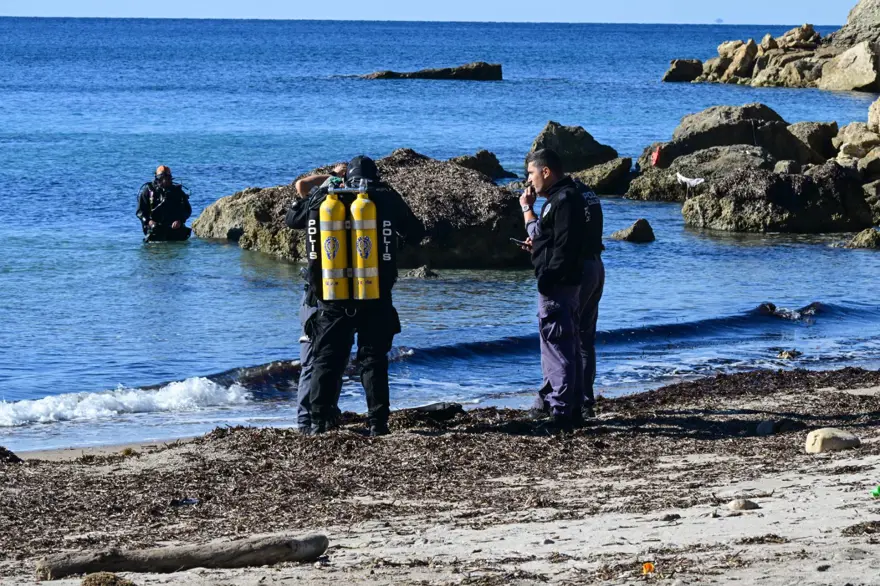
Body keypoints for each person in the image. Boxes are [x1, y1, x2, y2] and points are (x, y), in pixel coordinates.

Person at [288, 155, 424, 436]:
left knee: (327, 360)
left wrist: (330, 179)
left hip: (331, 295)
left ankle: (318, 424)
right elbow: (416, 232)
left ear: (345, 175)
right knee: (373, 360)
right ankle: (377, 423)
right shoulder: (384, 196)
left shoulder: (327, 196)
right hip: (374, 293)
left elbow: (293, 218)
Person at [519, 149, 587, 431]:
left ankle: (562, 411)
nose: (530, 180)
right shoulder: (564, 198)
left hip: (558, 284)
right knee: (567, 346)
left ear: (546, 171)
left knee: (557, 348)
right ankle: (570, 406)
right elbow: (554, 240)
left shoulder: (563, 199)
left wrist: (549, 276)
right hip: (567, 281)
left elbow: (565, 245)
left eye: (531, 174)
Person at [286, 163, 348, 434]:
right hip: (341, 294)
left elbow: (301, 186)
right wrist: (337, 178)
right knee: (330, 359)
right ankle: (314, 417)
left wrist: (331, 176)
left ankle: (312, 418)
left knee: (316, 359)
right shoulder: (357, 204)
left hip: (317, 294)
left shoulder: (322, 201)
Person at [136, 166, 192, 242]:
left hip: (174, 229)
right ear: (157, 178)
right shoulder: (148, 192)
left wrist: (180, 220)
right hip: (154, 229)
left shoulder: (177, 192)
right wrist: (149, 222)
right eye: (162, 178)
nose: (165, 181)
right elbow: (140, 212)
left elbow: (187, 210)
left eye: (167, 178)